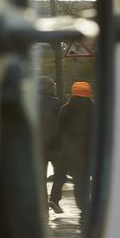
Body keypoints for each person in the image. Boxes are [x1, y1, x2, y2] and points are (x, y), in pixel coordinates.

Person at [49, 81, 95, 211]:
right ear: (88, 93)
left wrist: (56, 147)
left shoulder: (66, 108)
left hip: (68, 148)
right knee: (81, 180)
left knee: (61, 174)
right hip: (87, 149)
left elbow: (59, 128)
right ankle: (84, 209)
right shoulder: (94, 108)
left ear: (73, 93)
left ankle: (54, 199)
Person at [38, 77, 62, 214]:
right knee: (60, 173)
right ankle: (54, 199)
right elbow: (63, 123)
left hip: (38, 146)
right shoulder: (58, 103)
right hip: (55, 146)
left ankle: (43, 205)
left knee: (41, 178)